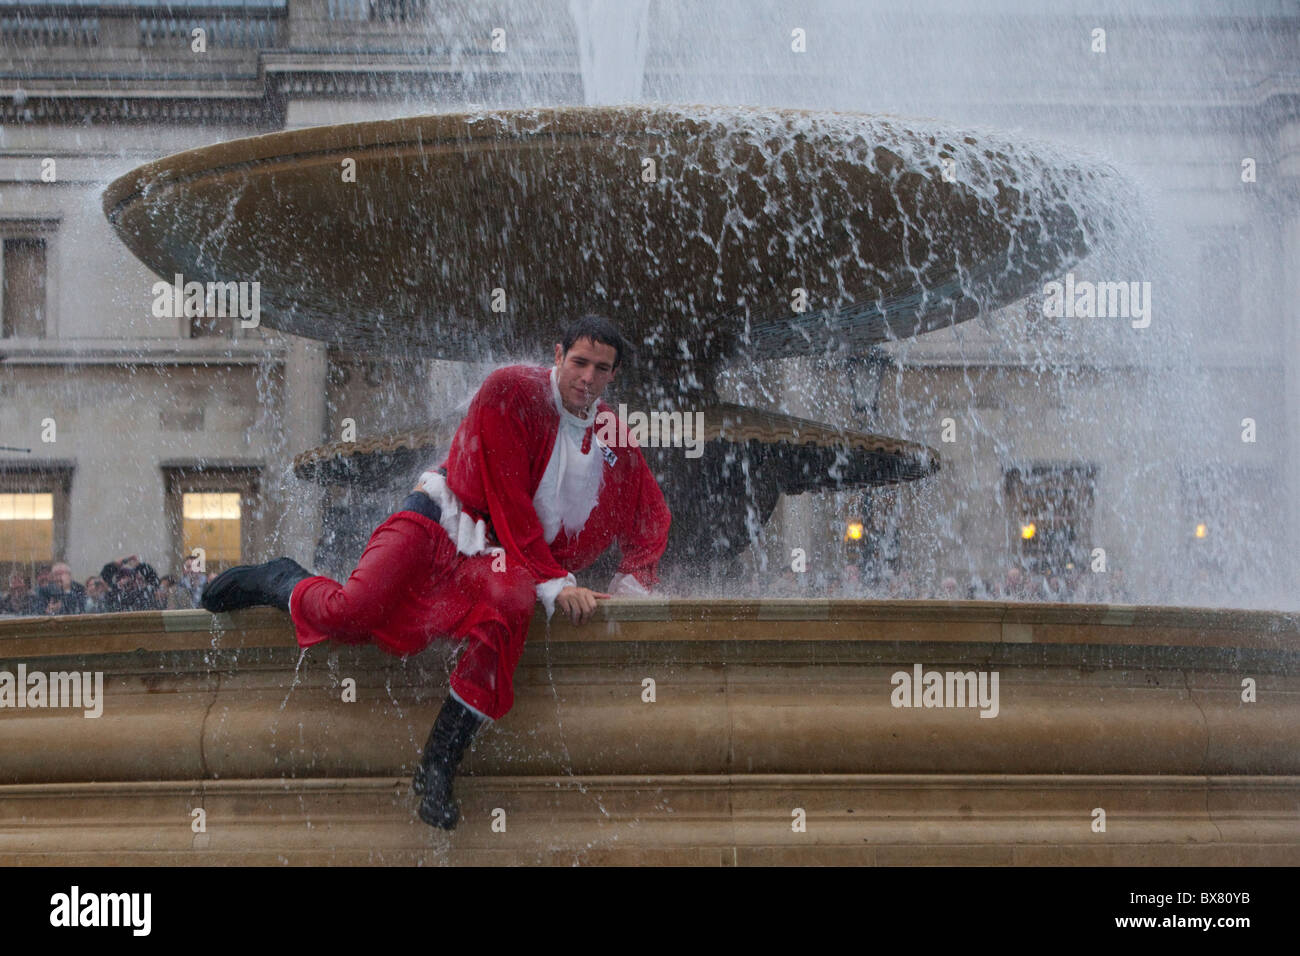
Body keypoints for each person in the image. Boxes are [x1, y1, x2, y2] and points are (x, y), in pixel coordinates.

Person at [201, 316, 672, 830]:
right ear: (558, 355)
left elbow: (651, 511)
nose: (587, 377)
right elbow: (511, 503)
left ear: (612, 377)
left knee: (511, 607)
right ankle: (280, 580)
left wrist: (632, 582)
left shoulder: (610, 434)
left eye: (601, 369)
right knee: (353, 611)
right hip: (442, 518)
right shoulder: (509, 389)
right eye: (579, 362)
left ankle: (439, 763)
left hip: (499, 552)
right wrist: (559, 585)